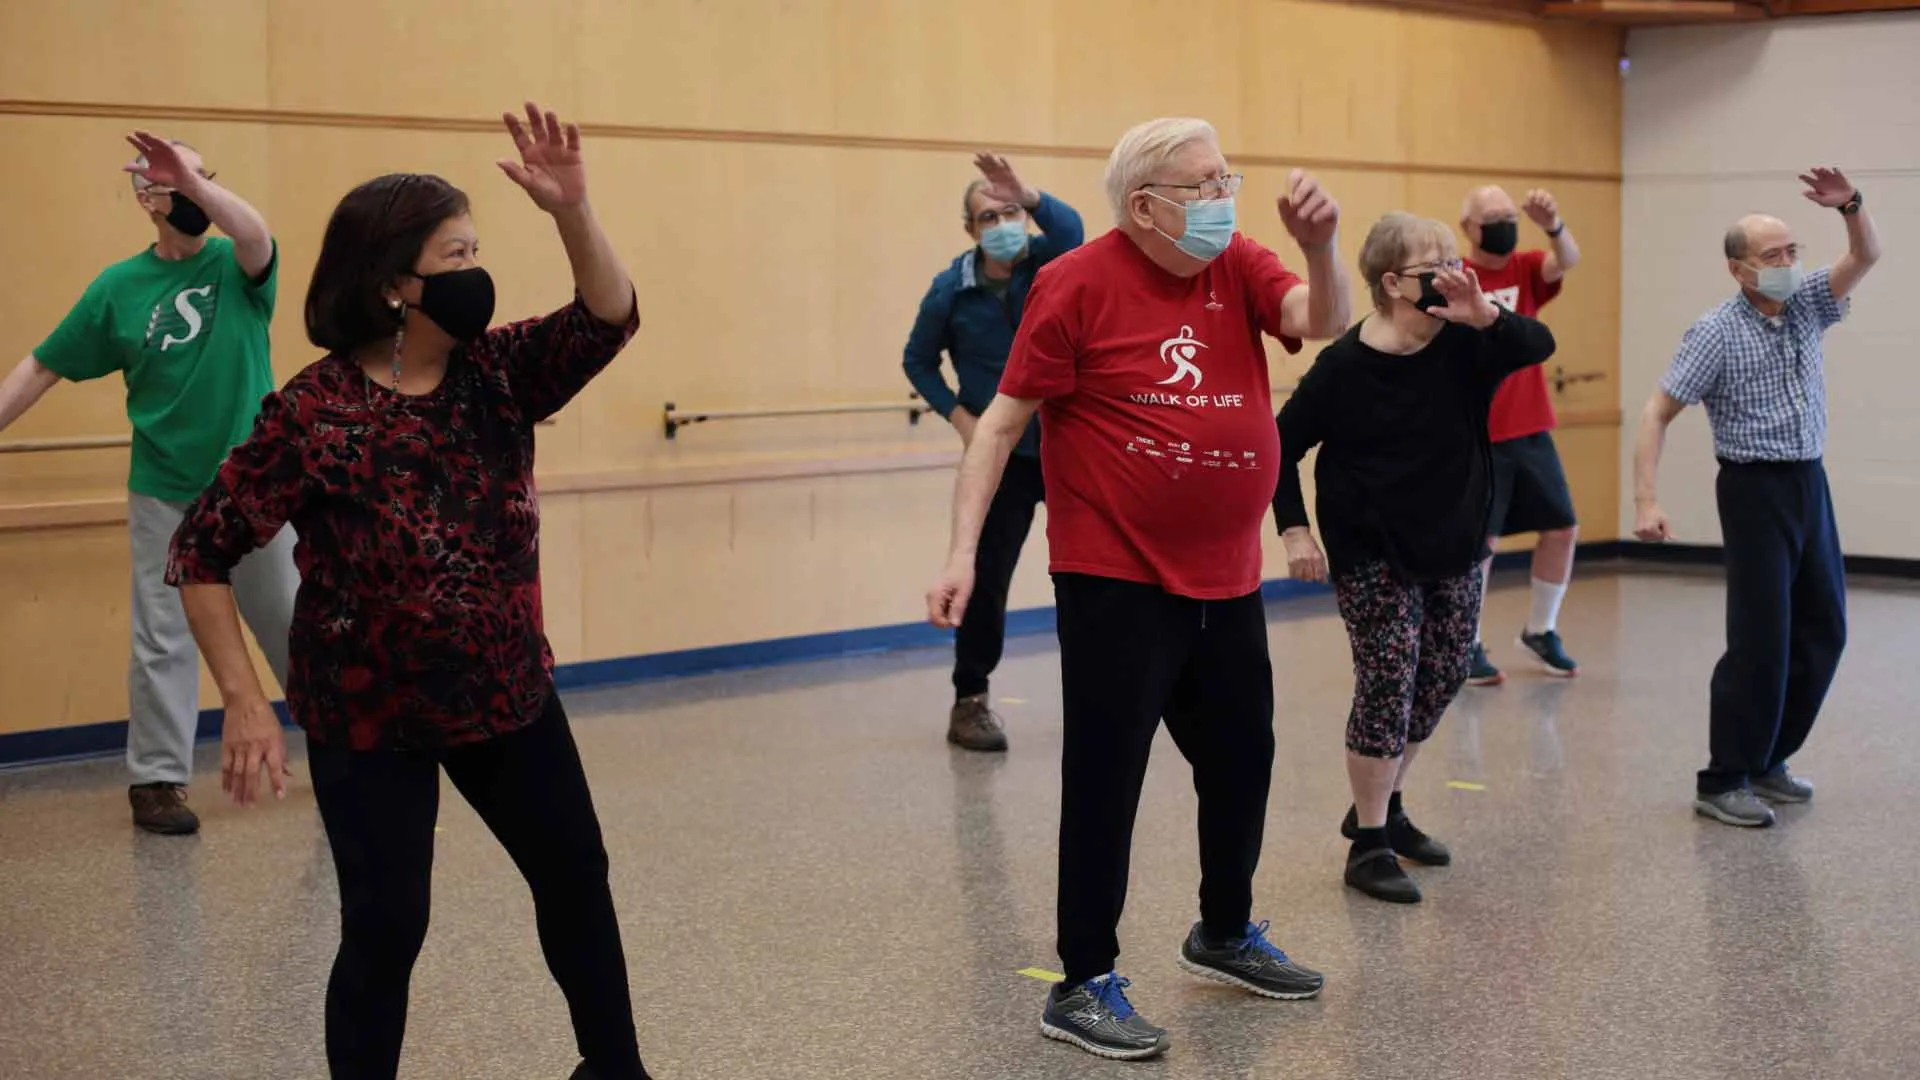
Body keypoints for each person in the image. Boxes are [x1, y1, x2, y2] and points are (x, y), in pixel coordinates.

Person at [165, 102, 650, 1080]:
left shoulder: (499, 374)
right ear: (395, 283)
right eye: (453, 253)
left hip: (506, 692)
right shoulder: (317, 412)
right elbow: (201, 549)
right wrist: (246, 699)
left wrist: (572, 209)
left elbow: (608, 317)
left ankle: (615, 1070)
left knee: (576, 880)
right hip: (369, 712)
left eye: (476, 249)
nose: (474, 270)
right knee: (388, 929)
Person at [926, 116, 1352, 1061]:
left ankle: (1225, 931)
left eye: (1224, 177)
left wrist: (1322, 247)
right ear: (1146, 204)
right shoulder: (1073, 283)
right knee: (1107, 779)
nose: (1222, 197)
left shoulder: (1235, 262)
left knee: (1244, 759)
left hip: (1227, 575)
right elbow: (999, 426)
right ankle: (1080, 983)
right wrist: (962, 553)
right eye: (1202, 185)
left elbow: (1316, 322)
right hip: (1114, 577)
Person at [0, 133, 297, 836]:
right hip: (164, 489)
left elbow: (253, 230)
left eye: (202, 175)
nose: (193, 188)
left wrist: (195, 184)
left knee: (292, 617)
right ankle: (158, 780)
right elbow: (42, 366)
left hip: (254, 486)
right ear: (145, 198)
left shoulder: (237, 265)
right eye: (172, 181)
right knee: (162, 639)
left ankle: (350, 750)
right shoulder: (117, 288)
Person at [1273, 213, 1557, 903]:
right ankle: (1368, 843)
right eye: (1434, 262)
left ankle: (1385, 804)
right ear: (1394, 282)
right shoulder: (1342, 365)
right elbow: (1281, 443)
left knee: (1444, 674)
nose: (1451, 269)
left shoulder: (1468, 343)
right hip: (1370, 546)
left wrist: (1484, 313)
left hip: (1455, 540)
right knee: (1388, 678)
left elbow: (1536, 343)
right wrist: (1295, 531)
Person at [1633, 166, 1880, 830]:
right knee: (1760, 639)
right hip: (1752, 489)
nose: (1790, 264)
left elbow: (1866, 255)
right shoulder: (1714, 331)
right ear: (1740, 271)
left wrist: (1850, 207)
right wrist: (1646, 501)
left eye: (1794, 251)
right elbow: (1657, 411)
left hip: (1809, 483)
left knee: (1824, 628)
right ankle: (1723, 777)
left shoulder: (1806, 305)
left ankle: (1769, 759)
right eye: (1774, 256)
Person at [903, 153, 1084, 752]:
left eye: (1011, 213)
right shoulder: (950, 291)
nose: (1003, 223)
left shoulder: (1049, 263)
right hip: (1001, 459)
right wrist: (960, 416)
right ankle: (970, 700)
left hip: (1067, 449)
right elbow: (917, 361)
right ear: (970, 230)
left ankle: (1109, 689)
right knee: (986, 578)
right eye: (989, 216)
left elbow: (1072, 230)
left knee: (1092, 571)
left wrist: (1029, 195)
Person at [1457, 185, 1583, 685]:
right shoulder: (1458, 277)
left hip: (1532, 427)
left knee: (1562, 527)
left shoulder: (1526, 268)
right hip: (1479, 434)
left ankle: (1541, 628)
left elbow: (1565, 259)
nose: (1504, 223)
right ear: (1469, 226)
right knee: (1481, 542)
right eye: (1494, 217)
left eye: (1510, 216)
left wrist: (1553, 224)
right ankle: (1465, 642)